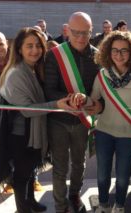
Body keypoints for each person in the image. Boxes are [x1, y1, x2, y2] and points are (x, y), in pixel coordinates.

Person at [75, 31, 131, 213]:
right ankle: (103, 205)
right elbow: (93, 100)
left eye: (124, 50)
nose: (119, 55)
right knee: (102, 175)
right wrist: (81, 100)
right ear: (108, 52)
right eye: (115, 50)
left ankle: (119, 206)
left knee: (123, 177)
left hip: (129, 135)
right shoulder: (102, 76)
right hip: (104, 133)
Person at [0, 27, 70, 213]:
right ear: (19, 48)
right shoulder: (16, 74)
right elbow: (28, 111)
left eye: (38, 45)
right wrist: (58, 104)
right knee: (21, 176)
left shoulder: (31, 69)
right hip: (21, 136)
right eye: (29, 46)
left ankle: (30, 202)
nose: (35, 50)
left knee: (30, 171)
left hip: (31, 133)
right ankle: (23, 209)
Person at [44, 12, 102, 213]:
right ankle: (61, 207)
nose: (80, 37)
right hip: (58, 121)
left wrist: (97, 104)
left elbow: (101, 90)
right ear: (67, 30)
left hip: (82, 121)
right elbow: (48, 90)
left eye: (85, 33)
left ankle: (74, 195)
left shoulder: (98, 56)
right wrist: (71, 98)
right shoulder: (54, 55)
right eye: (76, 32)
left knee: (79, 163)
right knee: (59, 167)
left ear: (91, 32)